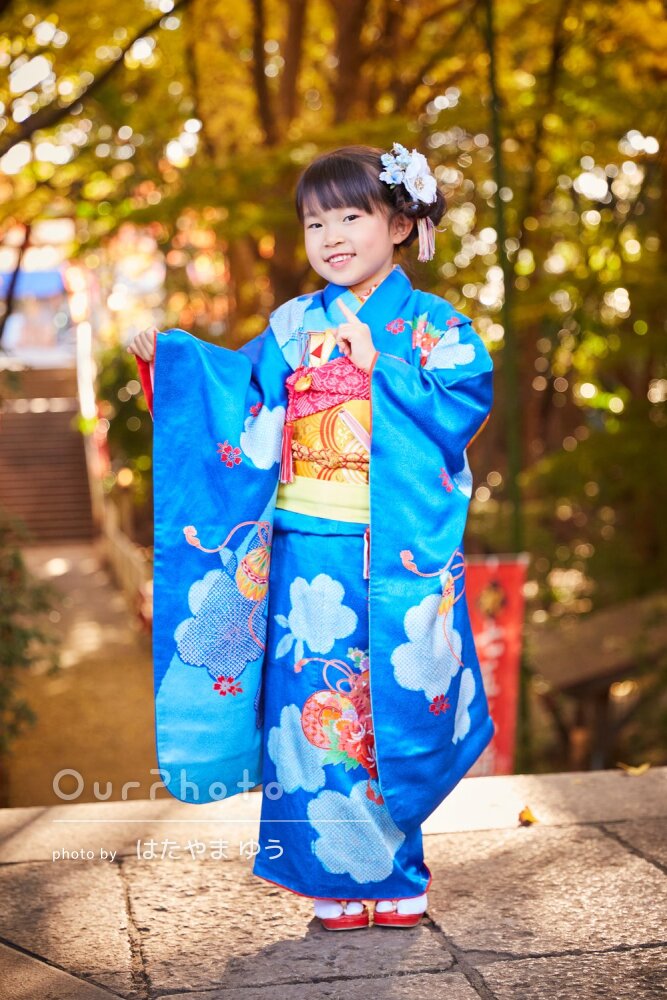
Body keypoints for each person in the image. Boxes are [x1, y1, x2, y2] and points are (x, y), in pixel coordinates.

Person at [127, 142, 495, 931]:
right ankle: (331, 876)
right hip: (302, 553)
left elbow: (462, 400)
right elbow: (242, 398)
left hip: (386, 551)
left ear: (400, 225)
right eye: (315, 223)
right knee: (309, 713)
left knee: (382, 712)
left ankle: (396, 875)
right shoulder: (293, 324)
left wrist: (381, 366)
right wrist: (175, 365)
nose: (331, 236)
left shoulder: (434, 326)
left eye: (350, 217)